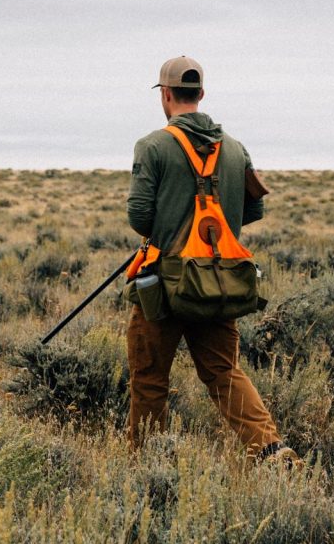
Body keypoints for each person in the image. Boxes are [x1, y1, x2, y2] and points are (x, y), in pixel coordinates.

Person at [125, 55, 299, 465]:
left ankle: (149, 466)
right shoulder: (235, 149)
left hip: (163, 285)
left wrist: (170, 226)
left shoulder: (152, 146)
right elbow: (254, 212)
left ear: (165, 95)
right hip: (219, 282)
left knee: (150, 378)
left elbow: (139, 217)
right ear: (200, 94)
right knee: (224, 373)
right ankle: (271, 450)